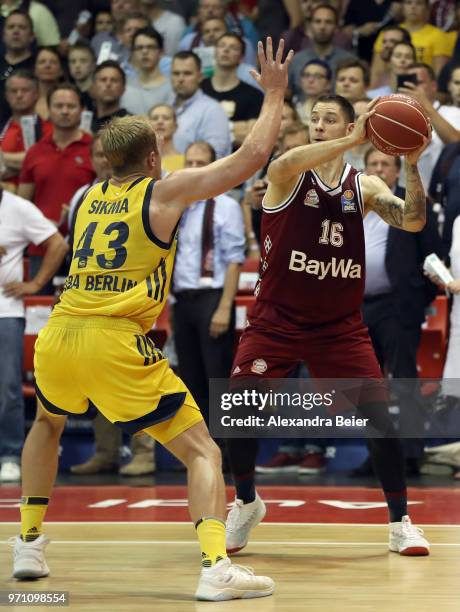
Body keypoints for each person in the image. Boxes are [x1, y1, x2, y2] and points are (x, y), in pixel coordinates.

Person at [11, 38, 295, 602]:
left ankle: (28, 543)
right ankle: (217, 566)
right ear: (150, 159)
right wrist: (274, 95)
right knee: (203, 452)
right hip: (115, 339)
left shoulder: (87, 196)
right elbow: (249, 160)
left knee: (47, 424)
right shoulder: (161, 193)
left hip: (60, 332)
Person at [225, 93, 431, 558]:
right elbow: (283, 162)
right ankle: (245, 502)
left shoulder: (366, 185)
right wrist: (352, 139)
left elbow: (414, 220)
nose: (319, 124)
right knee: (238, 414)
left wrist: (413, 162)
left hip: (338, 325)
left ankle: (401, 522)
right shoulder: (288, 174)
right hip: (275, 321)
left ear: (350, 126)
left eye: (330, 119)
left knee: (380, 422)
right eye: (314, 118)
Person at [173, 140, 245, 426]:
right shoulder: (178, 207)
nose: (193, 169)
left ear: (213, 167)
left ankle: (226, 451)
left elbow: (234, 259)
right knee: (189, 378)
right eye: (188, 163)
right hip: (182, 300)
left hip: (212, 298)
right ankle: (199, 448)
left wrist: (224, 307)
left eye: (200, 164)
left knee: (217, 378)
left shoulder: (226, 206)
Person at [0, 190, 67, 482]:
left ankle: (10, 454)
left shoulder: (18, 208)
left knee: (8, 387)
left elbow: (58, 244)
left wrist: (36, 283)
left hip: (5, 310)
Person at [18, 83, 94, 292]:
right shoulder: (35, 152)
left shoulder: (95, 149)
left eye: (71, 106)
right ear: (49, 110)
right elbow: (22, 202)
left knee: (82, 315)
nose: (65, 111)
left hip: (86, 248)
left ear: (82, 110)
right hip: (41, 246)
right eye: (59, 106)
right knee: (39, 315)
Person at [171, 50, 231, 158]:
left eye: (187, 73)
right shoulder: (166, 108)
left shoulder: (213, 110)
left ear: (200, 76)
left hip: (196, 173)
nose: (180, 79)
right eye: (176, 73)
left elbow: (214, 158)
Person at [1, 69, 53, 192]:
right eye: (14, 91)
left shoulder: (50, 129)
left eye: (25, 90)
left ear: (36, 94)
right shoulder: (2, 128)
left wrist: (3, 160)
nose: (19, 95)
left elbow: (42, 163)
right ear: (6, 95)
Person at [121, 26, 174, 115]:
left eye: (151, 47)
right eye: (139, 48)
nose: (145, 51)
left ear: (161, 52)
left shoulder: (172, 87)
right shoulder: (124, 86)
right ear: (133, 53)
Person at [148, 103, 184, 173]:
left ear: (175, 126)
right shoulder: (141, 162)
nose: (160, 122)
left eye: (166, 118)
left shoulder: (187, 161)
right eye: (155, 118)